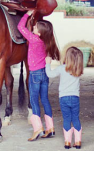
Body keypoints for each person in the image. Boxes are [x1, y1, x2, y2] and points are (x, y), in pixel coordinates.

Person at [17, 10, 60, 141]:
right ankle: (50, 128)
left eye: (35, 27)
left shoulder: (34, 39)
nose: (33, 27)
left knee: (34, 100)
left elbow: (20, 27)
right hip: (44, 74)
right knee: (45, 99)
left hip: (35, 74)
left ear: (39, 32)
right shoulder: (47, 42)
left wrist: (27, 14)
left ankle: (37, 129)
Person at [46, 47, 83, 149]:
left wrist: (48, 63)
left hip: (64, 98)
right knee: (75, 118)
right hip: (75, 98)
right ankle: (78, 142)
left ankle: (67, 142)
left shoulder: (62, 68)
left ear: (67, 57)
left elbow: (49, 74)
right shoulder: (78, 69)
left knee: (66, 118)